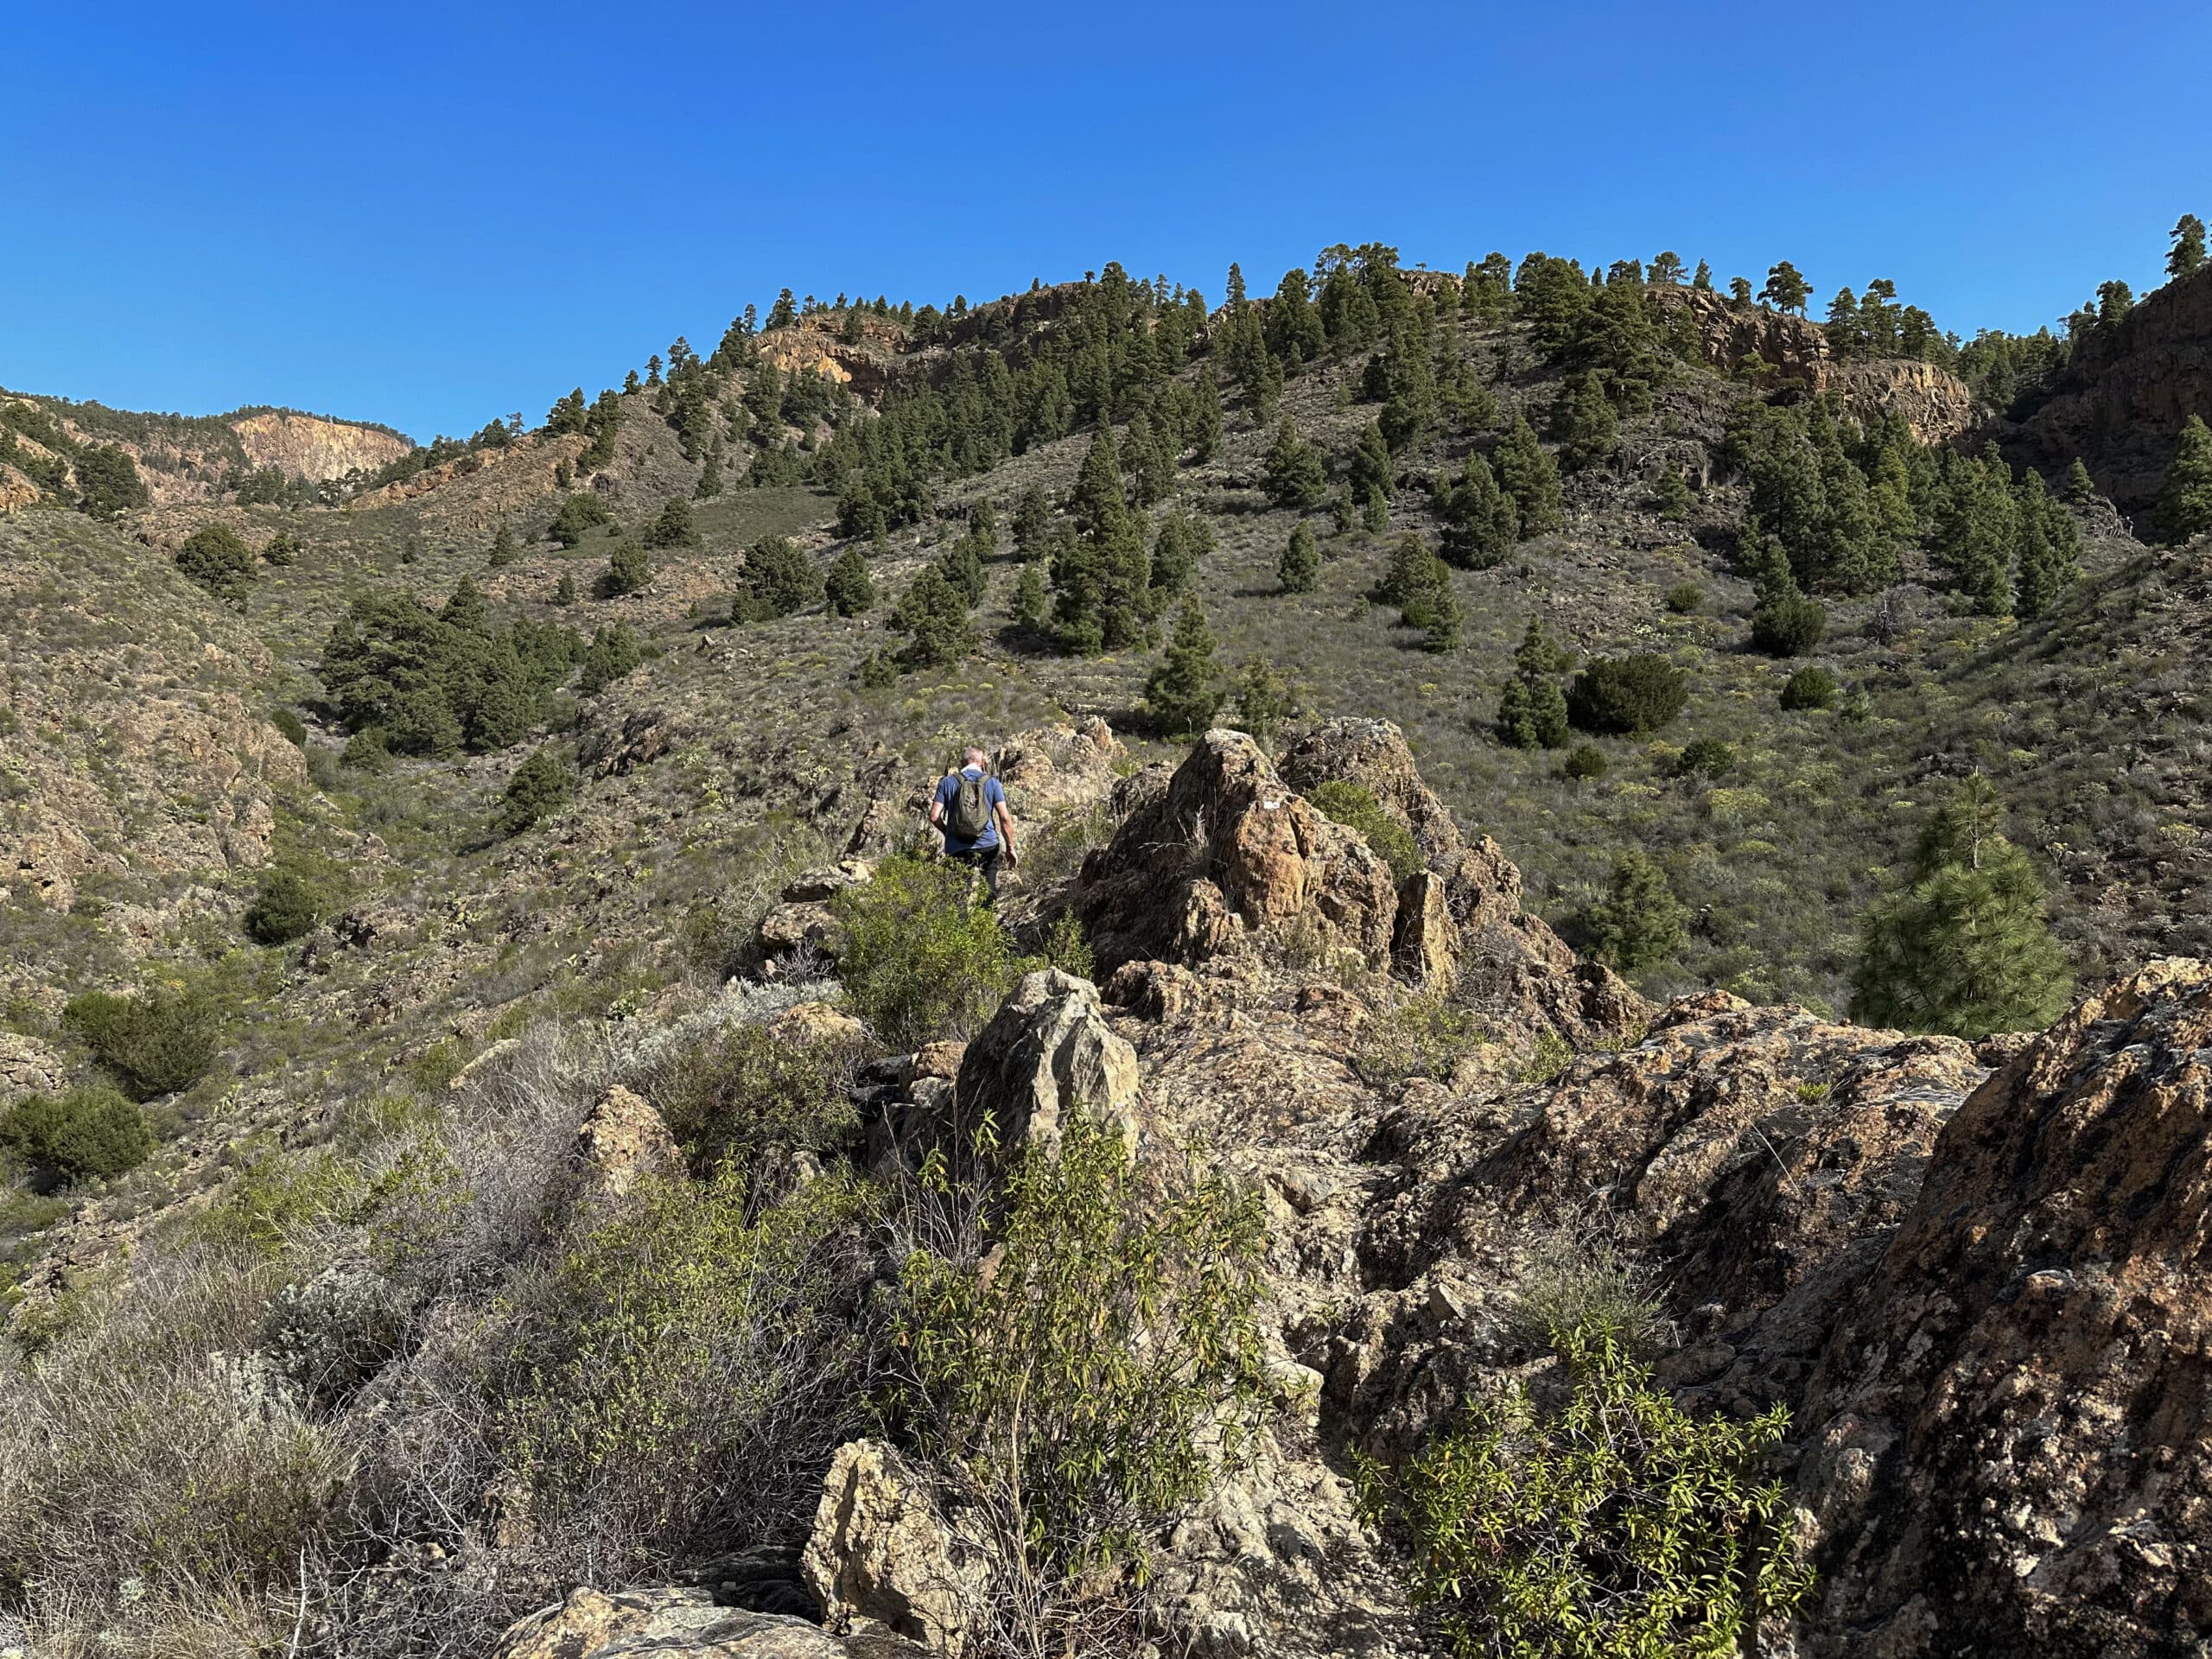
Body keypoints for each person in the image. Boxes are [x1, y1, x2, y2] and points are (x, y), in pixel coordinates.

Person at [929, 747, 1017, 903]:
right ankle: (987, 922)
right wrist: (1010, 848)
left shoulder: (947, 783)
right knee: (988, 891)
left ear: (961, 763)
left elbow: (934, 816)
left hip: (958, 847)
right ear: (982, 763)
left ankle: (961, 926)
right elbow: (1004, 817)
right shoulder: (992, 782)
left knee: (960, 896)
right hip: (987, 843)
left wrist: (948, 832)